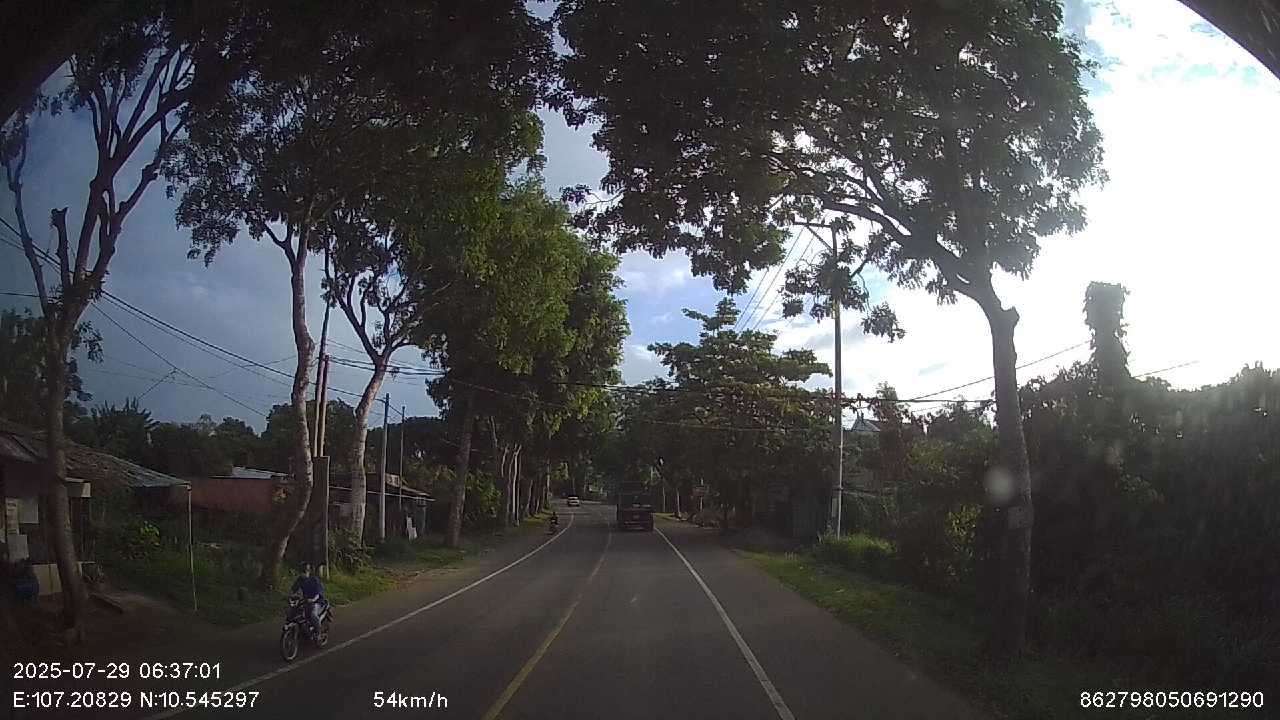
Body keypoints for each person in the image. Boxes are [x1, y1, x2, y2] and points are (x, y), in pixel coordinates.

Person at [290, 562, 325, 635]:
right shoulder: (300, 579)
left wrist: (313, 600)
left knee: (313, 615)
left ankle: (319, 634)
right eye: (302, 571)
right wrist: (291, 596)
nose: (303, 573)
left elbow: (318, 593)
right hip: (305, 601)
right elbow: (293, 589)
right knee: (293, 613)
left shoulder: (314, 580)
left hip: (317, 602)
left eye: (305, 571)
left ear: (309, 571)